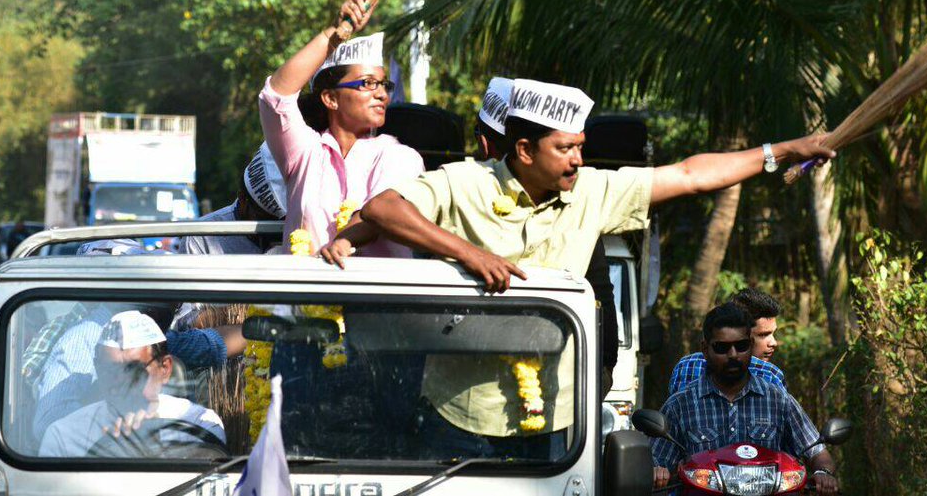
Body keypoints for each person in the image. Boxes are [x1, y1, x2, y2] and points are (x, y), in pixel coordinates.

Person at [321, 77, 833, 451]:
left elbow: (691, 174)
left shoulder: (591, 190)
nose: (577, 161)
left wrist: (784, 150)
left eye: (581, 148)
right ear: (522, 149)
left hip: (559, 426)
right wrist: (471, 254)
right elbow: (384, 208)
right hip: (459, 415)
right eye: (565, 149)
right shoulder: (464, 182)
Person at [475, 77, 620, 394]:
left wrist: (600, 373)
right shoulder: (461, 192)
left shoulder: (578, 199)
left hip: (549, 390)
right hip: (483, 391)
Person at [260, 0, 423, 256]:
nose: (381, 94)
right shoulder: (306, 153)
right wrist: (334, 32)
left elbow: (379, 214)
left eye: (384, 84)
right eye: (368, 84)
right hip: (306, 296)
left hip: (375, 297)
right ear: (330, 99)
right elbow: (275, 95)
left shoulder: (400, 156)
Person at [651, 304, 839, 494]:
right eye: (722, 348)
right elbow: (655, 462)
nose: (733, 355)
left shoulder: (778, 400)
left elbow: (817, 451)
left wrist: (823, 472)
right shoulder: (681, 405)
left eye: (741, 346)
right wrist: (658, 472)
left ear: (750, 345)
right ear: (705, 350)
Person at [39, 311, 226, 457]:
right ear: (97, 367)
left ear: (165, 368)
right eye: (110, 370)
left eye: (134, 369)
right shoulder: (64, 438)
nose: (120, 380)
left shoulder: (199, 424)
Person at [668, 287, 785, 395]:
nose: (773, 342)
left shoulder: (686, 365)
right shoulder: (769, 374)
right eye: (763, 335)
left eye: (773, 333)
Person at [185, 142, 288, 254]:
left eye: (284, 221)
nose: (276, 231)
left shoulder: (301, 232)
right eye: (266, 220)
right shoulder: (201, 238)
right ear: (242, 200)